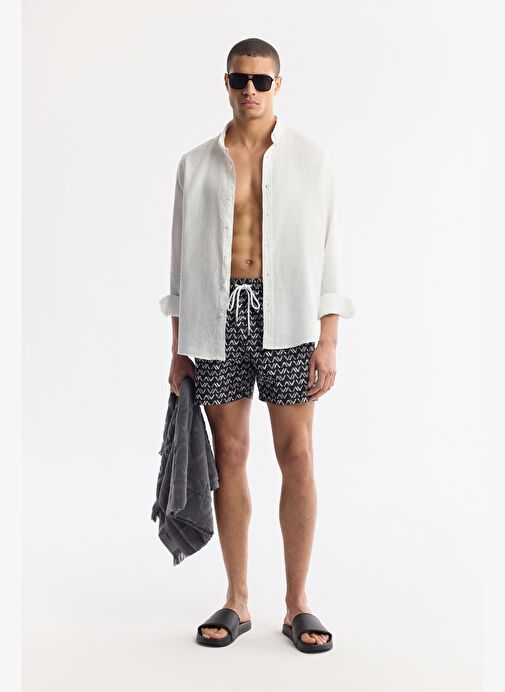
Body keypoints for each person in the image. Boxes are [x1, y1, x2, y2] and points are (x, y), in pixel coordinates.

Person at [159, 37, 355, 652]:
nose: (250, 90)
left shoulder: (311, 160)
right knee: (230, 455)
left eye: (261, 80)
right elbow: (180, 262)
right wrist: (179, 345)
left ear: (277, 85)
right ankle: (237, 598)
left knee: (297, 455)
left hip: (289, 318)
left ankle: (298, 603)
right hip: (216, 320)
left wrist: (328, 336)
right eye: (240, 79)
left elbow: (329, 252)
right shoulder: (196, 164)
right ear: (226, 82)